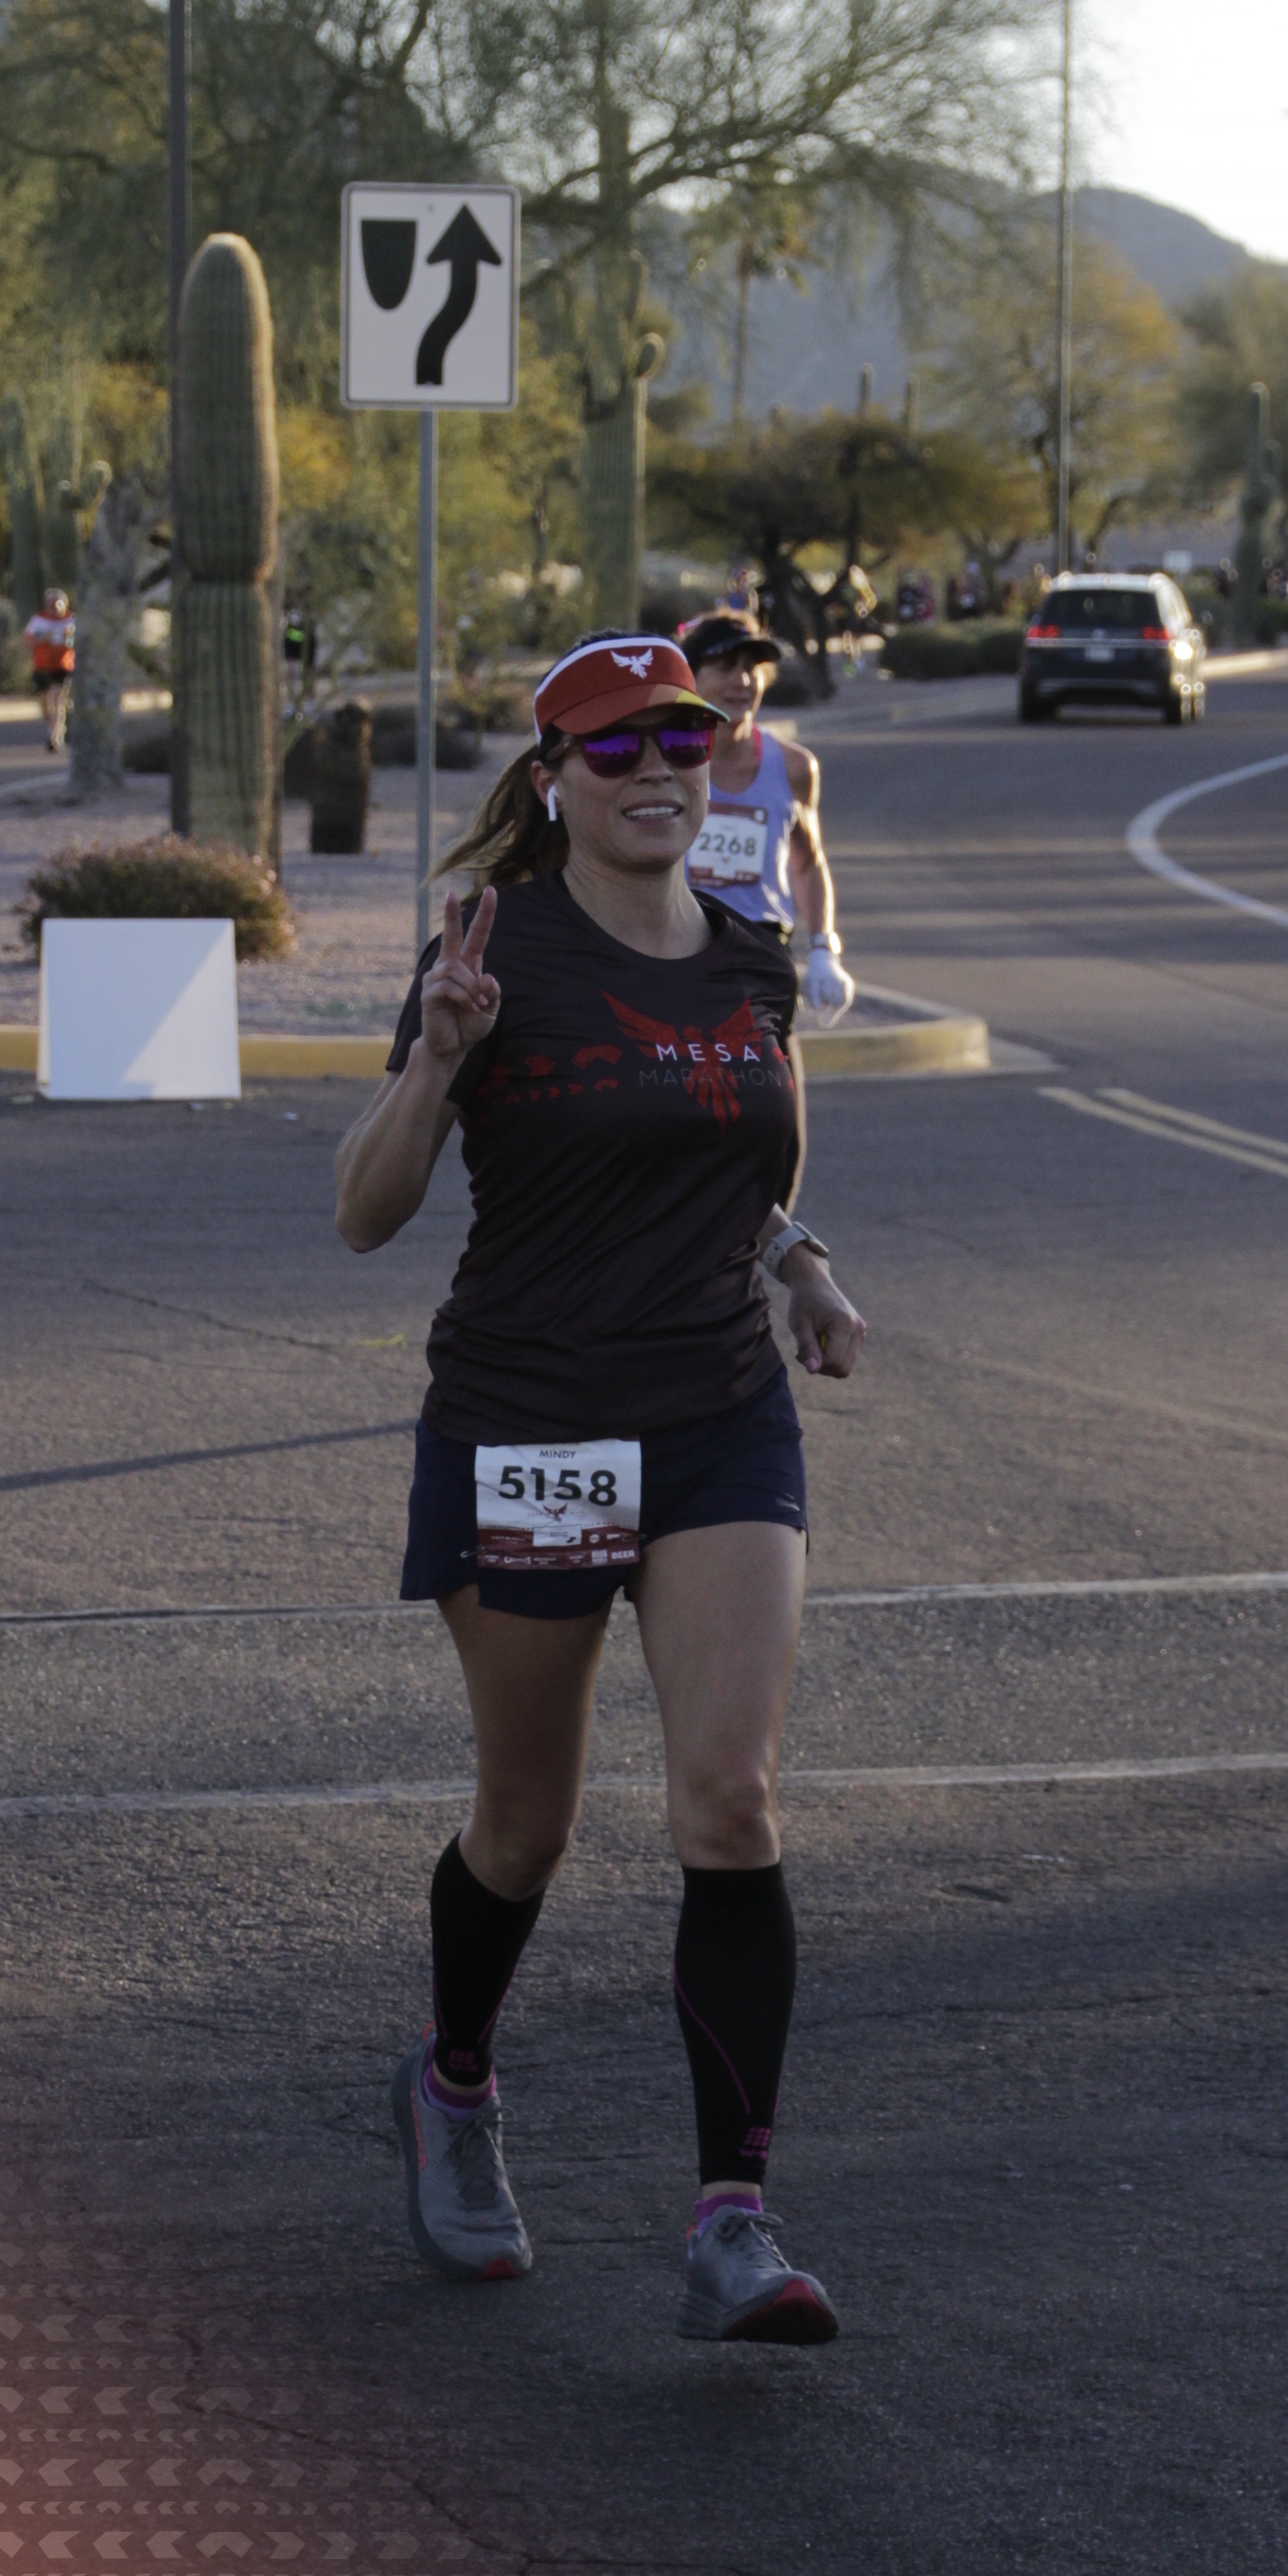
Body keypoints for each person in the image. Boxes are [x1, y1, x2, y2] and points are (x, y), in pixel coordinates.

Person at [335, 630, 868, 2345]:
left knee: (731, 1801)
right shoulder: (493, 953)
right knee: (529, 1824)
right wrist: (436, 1056)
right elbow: (363, 1213)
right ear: (554, 777)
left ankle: (733, 2221)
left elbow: (745, 1168)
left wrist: (797, 1262)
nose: (658, 770)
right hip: (539, 1425)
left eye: (683, 741)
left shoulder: (754, 960)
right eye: (618, 745)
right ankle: (454, 2084)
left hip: (717, 1417)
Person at [676, 612, 856, 1026]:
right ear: (690, 677)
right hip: (679, 947)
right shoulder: (666, 764)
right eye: (725, 667)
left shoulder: (794, 767)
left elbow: (808, 862)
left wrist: (823, 949)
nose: (742, 681)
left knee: (776, 1065)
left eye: (752, 668)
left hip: (762, 952)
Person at [24, 588, 75, 753]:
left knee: (57, 699)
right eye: (50, 604)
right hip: (41, 666)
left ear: (64, 604)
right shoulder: (38, 620)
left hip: (63, 666)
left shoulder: (71, 620)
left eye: (56, 603)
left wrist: (68, 639)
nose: (53, 607)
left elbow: (76, 642)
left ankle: (53, 736)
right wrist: (42, 639)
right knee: (45, 703)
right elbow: (28, 642)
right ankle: (54, 728)